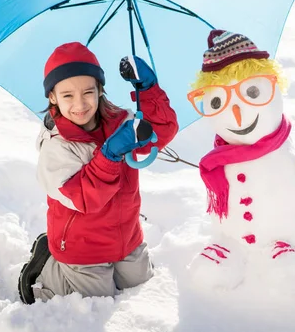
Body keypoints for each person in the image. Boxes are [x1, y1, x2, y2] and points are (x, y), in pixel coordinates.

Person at [17, 42, 178, 303]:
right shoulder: (57, 147)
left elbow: (160, 132)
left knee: (141, 286)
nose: (80, 104)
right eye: (67, 95)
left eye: (88, 92)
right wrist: (109, 155)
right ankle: (49, 269)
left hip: (126, 237)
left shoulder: (121, 122)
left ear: (100, 90)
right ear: (52, 97)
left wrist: (148, 90)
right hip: (82, 246)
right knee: (94, 301)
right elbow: (84, 198)